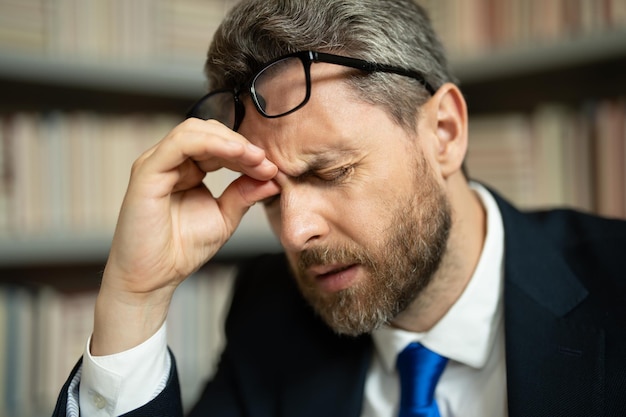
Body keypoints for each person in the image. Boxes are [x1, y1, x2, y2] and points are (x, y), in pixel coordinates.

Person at [53, 0, 626, 416]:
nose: (295, 233)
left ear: (444, 132)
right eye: (271, 193)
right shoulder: (269, 310)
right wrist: (135, 295)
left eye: (330, 172)